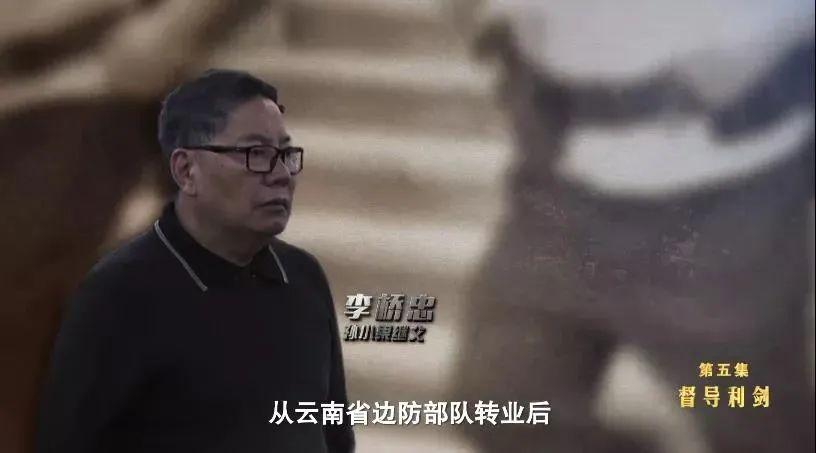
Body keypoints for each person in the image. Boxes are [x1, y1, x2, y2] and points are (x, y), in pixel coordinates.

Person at [35, 69, 355, 453]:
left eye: (286, 154)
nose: (281, 175)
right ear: (186, 170)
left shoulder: (303, 277)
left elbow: (334, 434)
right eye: (255, 154)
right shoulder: (118, 295)